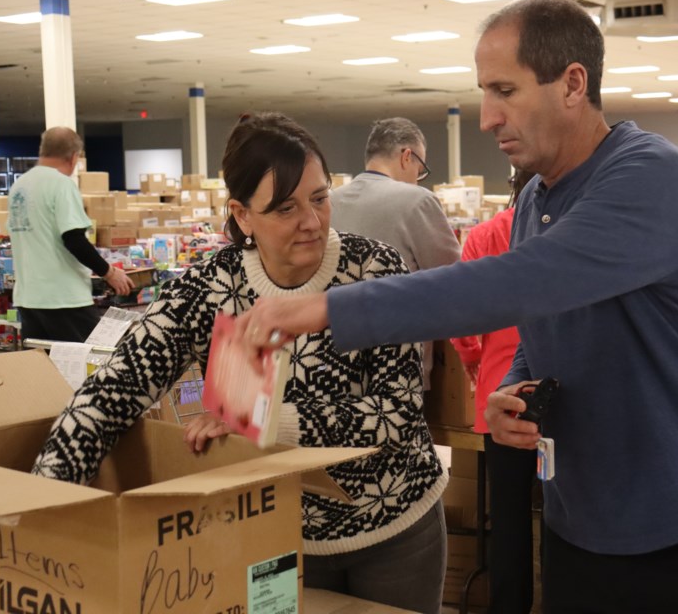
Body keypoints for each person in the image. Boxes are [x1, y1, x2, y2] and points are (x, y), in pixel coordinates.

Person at [234, 0, 678, 613]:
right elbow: (542, 320)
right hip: (582, 525)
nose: (486, 117)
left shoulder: (649, 175)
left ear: (573, 83)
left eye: (504, 90)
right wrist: (517, 388)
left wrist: (328, 309)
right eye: (483, 92)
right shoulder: (534, 201)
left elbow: (520, 281)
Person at [31, 113, 448, 613]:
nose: (312, 221)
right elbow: (112, 393)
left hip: (397, 528)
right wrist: (39, 507)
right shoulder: (210, 287)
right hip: (278, 532)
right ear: (243, 215)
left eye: (319, 198)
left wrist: (258, 422)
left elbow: (395, 413)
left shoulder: (375, 269)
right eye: (285, 208)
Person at [449, 168, 537, 614]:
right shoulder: (571, 233)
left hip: (499, 398)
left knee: (508, 519)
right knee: (569, 516)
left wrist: (472, 363)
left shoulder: (484, 237)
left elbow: (462, 318)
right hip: (560, 395)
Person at [331, 117, 461, 387]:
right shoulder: (416, 200)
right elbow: (453, 279)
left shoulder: (329, 201)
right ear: (407, 157)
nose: (418, 178)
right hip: (396, 366)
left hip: (334, 359)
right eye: (420, 168)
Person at [7, 126, 133, 342]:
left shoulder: (19, 186)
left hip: (28, 298)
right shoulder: (62, 185)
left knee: (44, 369)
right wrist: (110, 273)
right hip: (63, 298)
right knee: (95, 364)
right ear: (74, 157)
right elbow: (74, 240)